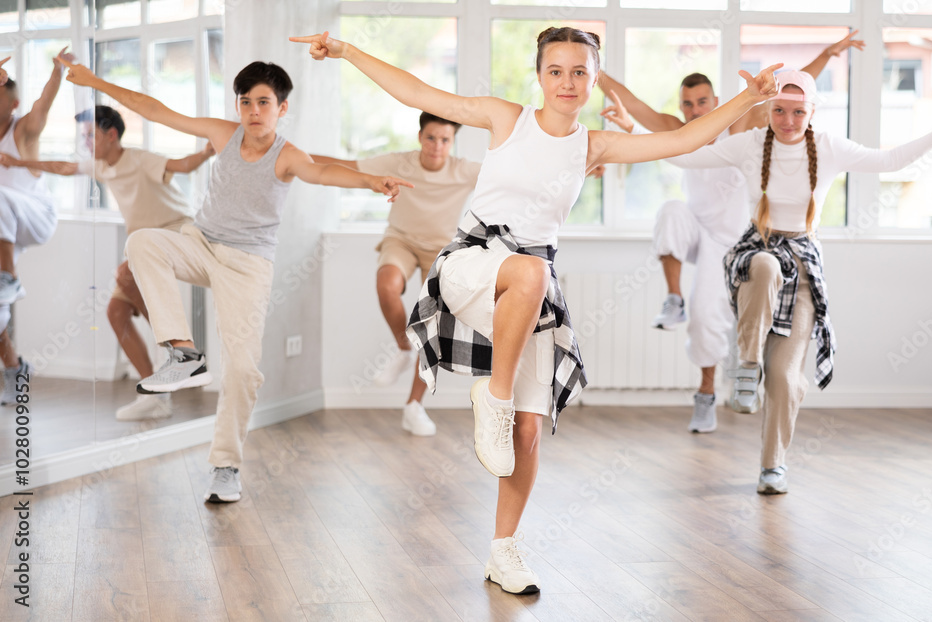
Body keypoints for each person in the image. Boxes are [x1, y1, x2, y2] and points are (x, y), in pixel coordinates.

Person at [291, 26, 780, 594]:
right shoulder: (508, 119)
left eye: (580, 72)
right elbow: (420, 94)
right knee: (529, 272)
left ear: (596, 80)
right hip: (474, 263)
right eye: (556, 71)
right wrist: (347, 50)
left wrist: (749, 99)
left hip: (531, 288)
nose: (567, 82)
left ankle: (504, 551)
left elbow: (683, 141)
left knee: (528, 433)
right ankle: (492, 400)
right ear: (539, 75)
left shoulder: (593, 145)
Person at [58, 58, 413, 502]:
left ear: (282, 108)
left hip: (247, 266)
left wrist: (370, 182)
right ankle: (183, 353)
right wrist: (94, 82)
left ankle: (225, 466)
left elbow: (324, 173)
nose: (253, 111)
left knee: (243, 370)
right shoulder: (224, 134)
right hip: (200, 243)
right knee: (144, 242)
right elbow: (152, 109)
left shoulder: (287, 155)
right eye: (246, 102)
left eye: (264, 102)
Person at [664, 71, 932, 494]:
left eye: (797, 112)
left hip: (805, 267)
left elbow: (888, 161)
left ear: (812, 112)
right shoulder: (750, 144)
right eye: (779, 110)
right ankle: (746, 364)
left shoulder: (828, 148)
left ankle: (772, 465)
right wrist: (626, 135)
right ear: (768, 109)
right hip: (754, 254)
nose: (788, 120)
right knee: (765, 266)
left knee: (785, 375)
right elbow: (683, 153)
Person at [597, 31, 864, 433]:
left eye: (701, 102)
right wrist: (590, 68)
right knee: (670, 210)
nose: (693, 109)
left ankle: (705, 395)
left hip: (726, 243)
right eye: (687, 103)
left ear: (715, 103)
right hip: (693, 229)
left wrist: (826, 54)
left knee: (707, 320)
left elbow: (791, 91)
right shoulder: (676, 129)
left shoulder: (740, 128)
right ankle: (673, 299)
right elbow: (632, 101)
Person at [0, 105, 214, 421]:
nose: (85, 142)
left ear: (111, 135)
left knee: (124, 273)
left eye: (90, 135)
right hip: (141, 245)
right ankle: (156, 394)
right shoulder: (102, 166)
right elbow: (62, 167)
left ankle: (183, 352)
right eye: (83, 136)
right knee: (116, 312)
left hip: (173, 234)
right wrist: (19, 162)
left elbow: (183, 165)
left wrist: (209, 150)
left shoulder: (139, 159)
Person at [311, 112, 481, 436]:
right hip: (400, 239)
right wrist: (288, 155)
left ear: (453, 142)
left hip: (440, 248)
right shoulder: (399, 162)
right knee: (387, 285)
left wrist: (584, 167)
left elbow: (516, 179)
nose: (437, 146)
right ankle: (403, 348)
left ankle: (413, 406)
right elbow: (346, 164)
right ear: (420, 137)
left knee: (432, 325)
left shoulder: (464, 170)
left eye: (445, 140)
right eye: (431, 138)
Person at [0, 48, 75, 406]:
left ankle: (8, 280)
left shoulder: (23, 130)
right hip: (6, 229)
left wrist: (57, 72)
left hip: (36, 216)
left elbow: (44, 105)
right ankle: (15, 369)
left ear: (12, 104)